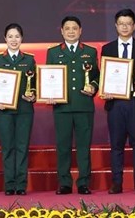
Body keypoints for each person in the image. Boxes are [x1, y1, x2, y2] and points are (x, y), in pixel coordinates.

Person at [100, 8, 135, 194]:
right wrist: (105, 90)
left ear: (134, 26)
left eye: (128, 24)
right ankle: (117, 183)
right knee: (116, 143)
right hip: (115, 103)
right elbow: (104, 75)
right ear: (116, 26)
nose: (124, 27)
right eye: (121, 24)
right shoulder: (107, 49)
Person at [46, 16, 98, 195]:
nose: (71, 31)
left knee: (84, 147)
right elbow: (48, 77)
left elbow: (96, 76)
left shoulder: (90, 52)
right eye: (67, 28)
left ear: (80, 30)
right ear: (61, 31)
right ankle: (64, 183)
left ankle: (84, 182)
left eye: (74, 28)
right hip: (62, 107)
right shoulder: (53, 52)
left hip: (84, 106)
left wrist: (94, 87)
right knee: (63, 147)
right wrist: (49, 94)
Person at [0, 23, 36, 196]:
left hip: (24, 109)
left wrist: (33, 95)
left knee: (22, 147)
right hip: (4, 111)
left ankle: (21, 185)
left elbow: (35, 84)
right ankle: (9, 184)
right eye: (10, 36)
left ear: (21, 38)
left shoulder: (29, 60)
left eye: (17, 36)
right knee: (8, 147)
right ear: (5, 39)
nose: (14, 40)